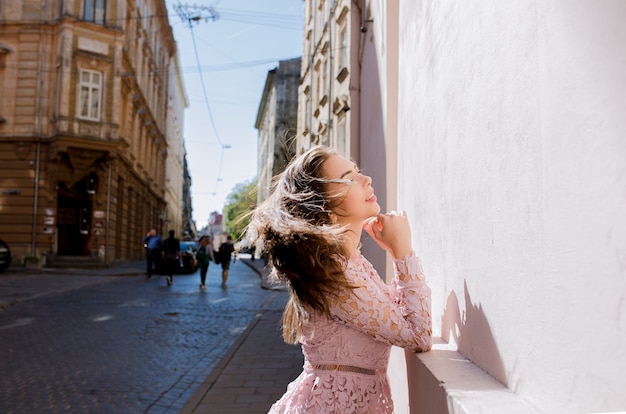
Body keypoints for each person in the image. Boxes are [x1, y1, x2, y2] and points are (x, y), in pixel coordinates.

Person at [246, 146, 432, 413]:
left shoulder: (349, 263)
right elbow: (418, 335)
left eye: (358, 172)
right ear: (324, 206)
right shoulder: (336, 271)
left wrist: (394, 251)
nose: (366, 180)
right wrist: (402, 252)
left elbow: (397, 317)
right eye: (348, 178)